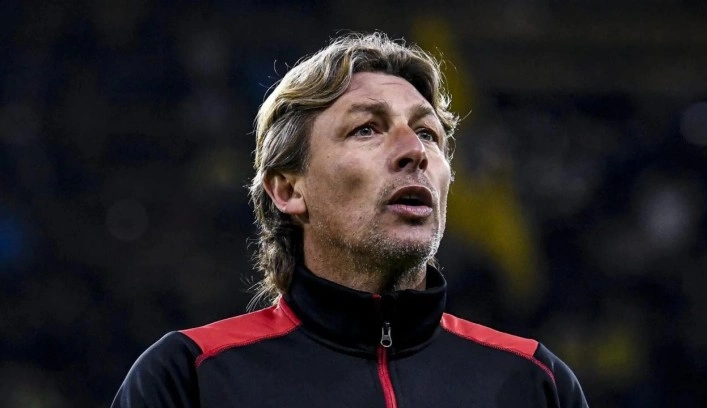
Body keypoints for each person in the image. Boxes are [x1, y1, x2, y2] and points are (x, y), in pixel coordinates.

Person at [112, 32, 588, 408]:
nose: (414, 152)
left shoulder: (535, 382)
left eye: (427, 133)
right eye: (366, 129)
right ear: (288, 189)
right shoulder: (189, 377)